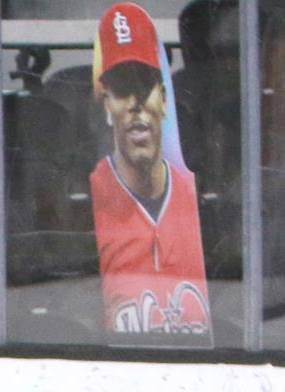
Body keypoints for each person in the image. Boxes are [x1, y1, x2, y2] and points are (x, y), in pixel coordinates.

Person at [88, 3, 212, 340]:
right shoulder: (90, 199)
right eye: (121, 89)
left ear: (164, 98)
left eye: (143, 85)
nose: (134, 104)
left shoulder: (196, 195)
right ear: (108, 106)